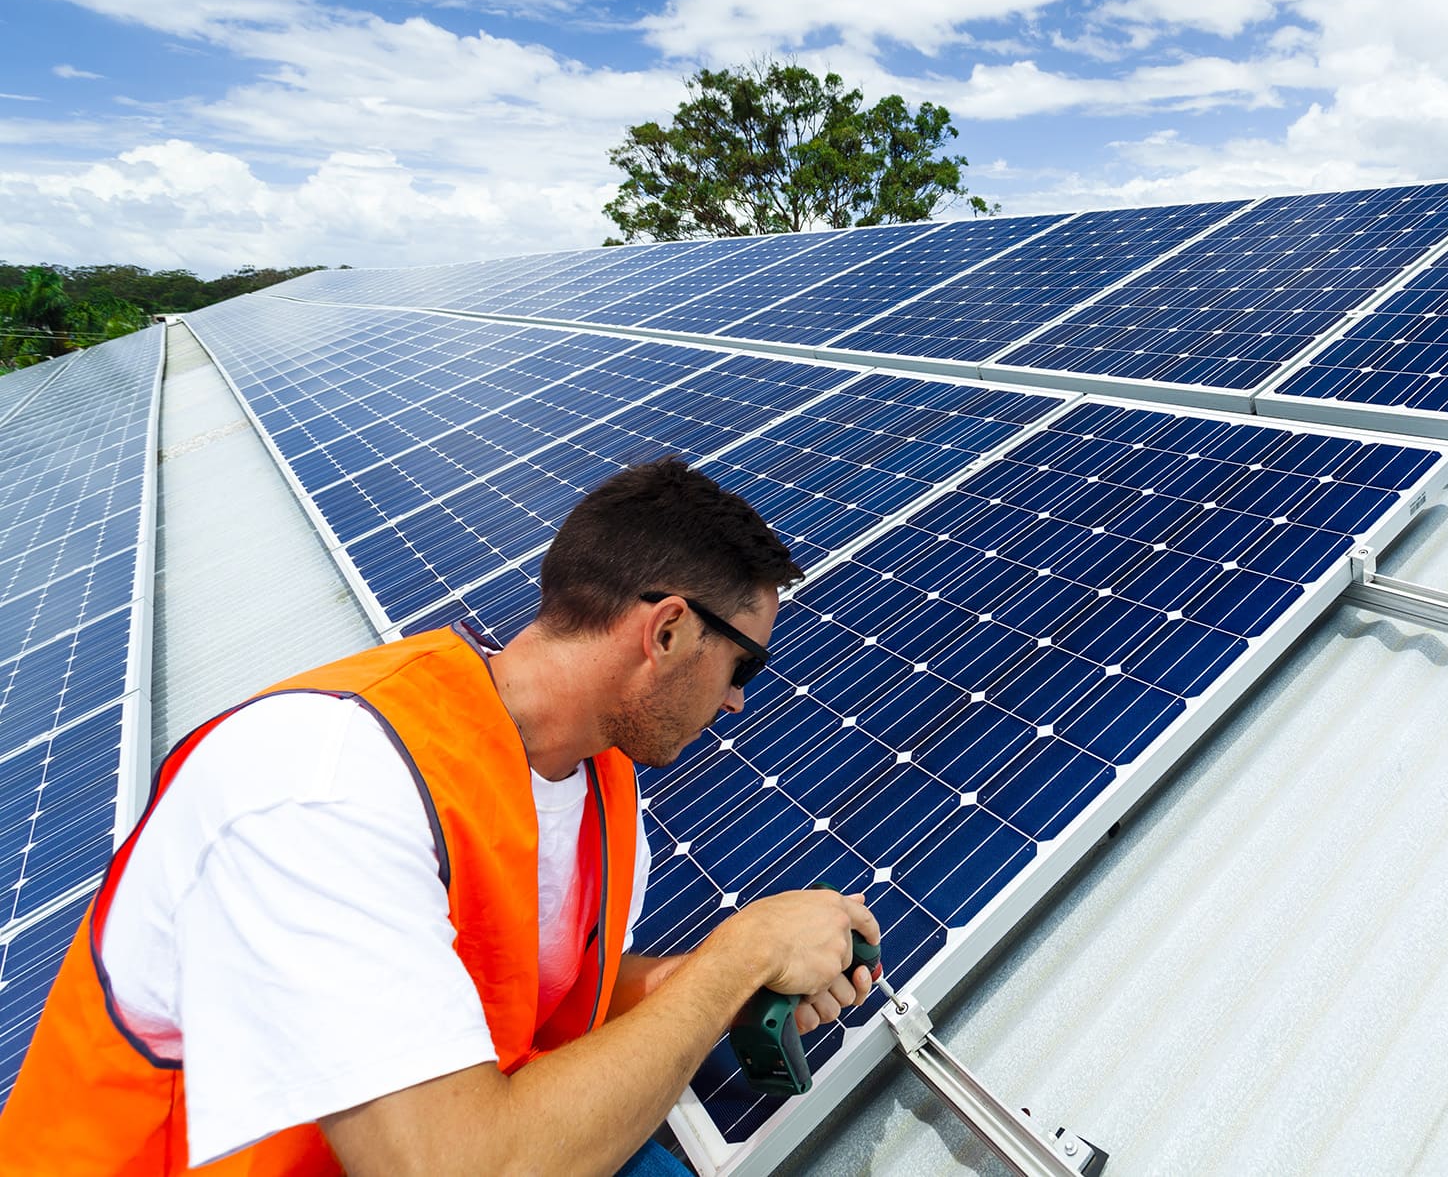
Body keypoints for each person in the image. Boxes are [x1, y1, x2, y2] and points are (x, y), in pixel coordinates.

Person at [0, 459, 879, 1175]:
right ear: (668, 632)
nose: (735, 704)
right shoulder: (323, 783)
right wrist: (740, 954)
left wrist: (714, 988)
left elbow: (518, 996)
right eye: (744, 667)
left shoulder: (600, 791)